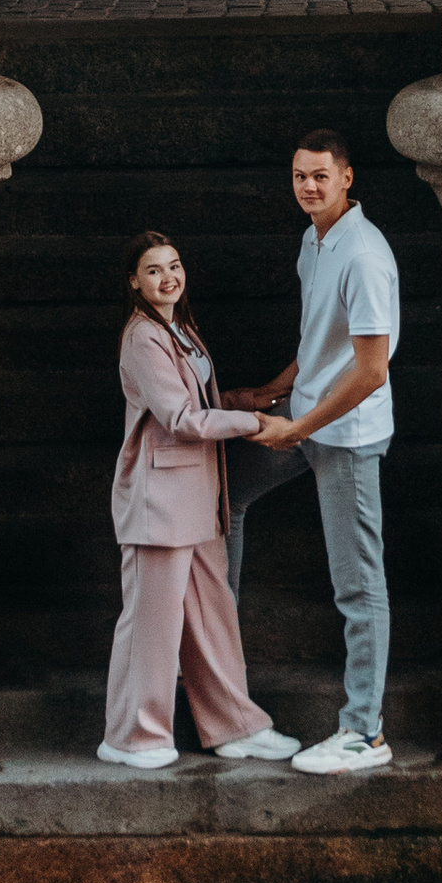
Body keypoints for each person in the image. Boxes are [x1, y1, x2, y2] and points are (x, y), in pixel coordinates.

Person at [224, 130, 400, 776]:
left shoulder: (363, 255)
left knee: (358, 585)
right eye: (300, 175)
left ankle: (365, 733)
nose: (309, 186)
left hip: (346, 435)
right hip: (307, 416)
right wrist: (270, 393)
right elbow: (320, 340)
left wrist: (295, 430)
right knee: (225, 500)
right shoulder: (314, 240)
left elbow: (370, 370)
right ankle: (219, 673)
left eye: (322, 176)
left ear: (347, 178)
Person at [102, 228, 301, 773]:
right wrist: (256, 423)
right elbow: (180, 419)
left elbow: (201, 400)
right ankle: (131, 736)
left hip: (199, 499)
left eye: (174, 265)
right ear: (134, 283)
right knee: (151, 624)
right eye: (153, 270)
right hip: (158, 503)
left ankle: (236, 727)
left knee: (214, 620)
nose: (168, 277)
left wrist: (247, 398)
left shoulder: (181, 329)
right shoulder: (142, 337)